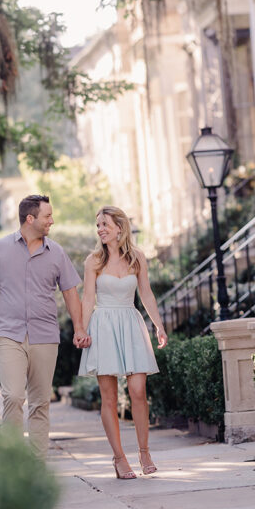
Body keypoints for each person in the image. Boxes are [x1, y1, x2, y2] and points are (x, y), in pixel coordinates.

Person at [0, 194, 90, 457]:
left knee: (40, 403)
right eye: (47, 216)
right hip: (9, 334)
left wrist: (80, 327)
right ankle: (14, 462)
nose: (52, 220)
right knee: (13, 396)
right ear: (30, 218)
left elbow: (70, 292)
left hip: (44, 335)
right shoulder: (0, 248)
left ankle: (36, 467)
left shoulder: (57, 252)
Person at [79, 205, 167, 479]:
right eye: (98, 225)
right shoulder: (93, 261)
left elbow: (147, 295)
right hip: (103, 325)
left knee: (138, 390)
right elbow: (88, 299)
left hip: (130, 324)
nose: (100, 229)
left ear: (120, 227)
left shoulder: (137, 258)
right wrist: (81, 329)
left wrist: (159, 325)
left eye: (105, 224)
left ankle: (144, 452)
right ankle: (119, 458)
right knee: (109, 396)